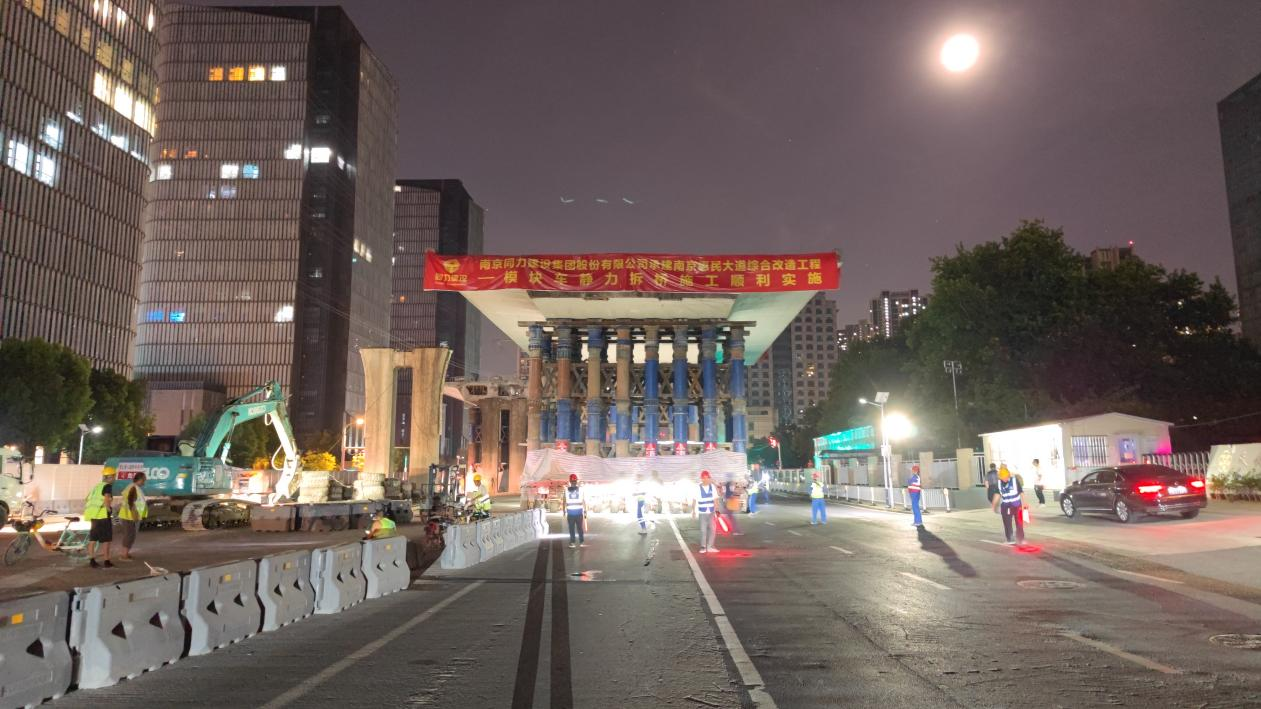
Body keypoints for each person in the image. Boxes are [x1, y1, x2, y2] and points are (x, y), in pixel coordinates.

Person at [83, 469, 116, 568]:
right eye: (114, 476)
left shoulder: (97, 486)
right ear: (110, 477)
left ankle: (92, 560)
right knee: (106, 540)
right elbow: (106, 499)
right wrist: (109, 510)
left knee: (93, 539)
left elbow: (87, 499)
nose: (114, 479)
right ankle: (106, 561)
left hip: (94, 515)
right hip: (103, 515)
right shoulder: (107, 486)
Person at [991, 465, 1028, 545]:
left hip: (1017, 505)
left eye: (1006, 476)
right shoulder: (999, 483)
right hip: (1006, 506)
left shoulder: (1014, 481)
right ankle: (1010, 539)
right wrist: (993, 505)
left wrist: (1024, 504)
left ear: (1008, 475)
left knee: (1019, 522)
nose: (1004, 478)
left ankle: (1021, 539)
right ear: (1000, 477)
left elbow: (1021, 492)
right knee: (1007, 522)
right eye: (1002, 477)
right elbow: (997, 495)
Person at [116, 472, 147, 561]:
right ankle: (124, 555)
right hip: (129, 516)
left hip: (128, 515)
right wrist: (135, 515)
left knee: (130, 535)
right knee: (129, 535)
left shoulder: (133, 487)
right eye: (144, 480)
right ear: (140, 479)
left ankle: (125, 553)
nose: (144, 482)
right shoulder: (133, 488)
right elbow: (131, 503)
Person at [692, 470, 718, 553]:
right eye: (704, 478)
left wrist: (716, 510)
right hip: (702, 512)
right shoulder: (697, 488)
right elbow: (694, 500)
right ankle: (703, 547)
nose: (706, 480)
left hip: (711, 512)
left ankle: (710, 546)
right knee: (703, 530)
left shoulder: (712, 487)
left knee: (713, 529)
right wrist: (693, 511)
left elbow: (715, 499)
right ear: (702, 479)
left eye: (707, 478)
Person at [564, 473, 586, 548]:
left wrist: (564, 511)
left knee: (571, 529)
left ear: (570, 481)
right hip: (579, 512)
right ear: (576, 481)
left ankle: (572, 542)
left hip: (570, 513)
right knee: (580, 528)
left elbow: (564, 501)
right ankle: (581, 542)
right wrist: (585, 511)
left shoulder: (566, 490)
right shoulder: (581, 489)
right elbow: (583, 500)